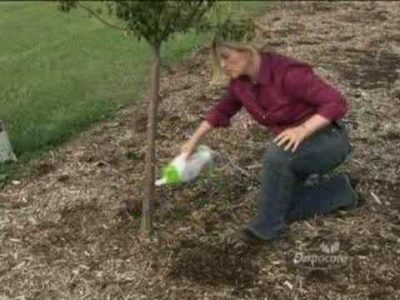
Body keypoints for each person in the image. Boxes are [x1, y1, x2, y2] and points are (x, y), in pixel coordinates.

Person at [180, 40, 360, 243]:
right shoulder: (241, 84)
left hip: (327, 141)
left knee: (276, 155)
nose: (222, 65)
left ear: (247, 48)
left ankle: (267, 229)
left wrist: (302, 129)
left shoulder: (287, 73)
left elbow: (335, 102)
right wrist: (193, 142)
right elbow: (222, 110)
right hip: (294, 149)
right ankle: (340, 191)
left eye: (225, 56)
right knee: (281, 205)